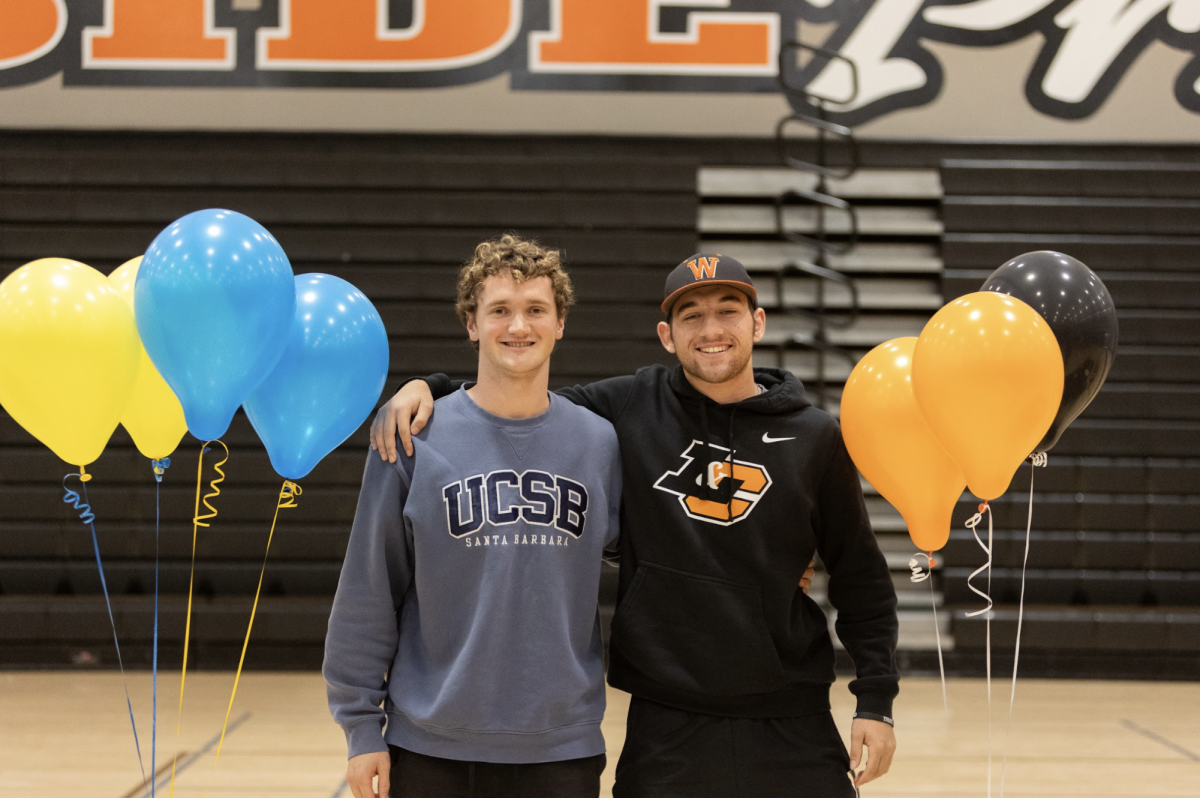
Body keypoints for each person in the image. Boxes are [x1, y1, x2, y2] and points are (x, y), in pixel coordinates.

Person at [374, 253, 899, 797]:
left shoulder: (814, 437)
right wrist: (428, 385)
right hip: (666, 723)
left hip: (793, 717)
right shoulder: (629, 405)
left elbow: (861, 575)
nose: (712, 329)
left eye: (728, 311)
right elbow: (516, 396)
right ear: (667, 335)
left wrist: (876, 702)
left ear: (757, 323)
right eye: (692, 317)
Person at [325, 235, 622, 798]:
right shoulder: (410, 437)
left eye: (536, 309)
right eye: (500, 311)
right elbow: (368, 589)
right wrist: (362, 728)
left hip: (561, 748)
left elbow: (663, 550)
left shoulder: (600, 443)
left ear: (561, 324)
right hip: (431, 746)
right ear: (471, 323)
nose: (519, 326)